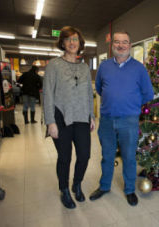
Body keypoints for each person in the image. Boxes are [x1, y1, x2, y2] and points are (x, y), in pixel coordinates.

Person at [90, 31, 154, 206]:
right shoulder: (104, 66)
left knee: (129, 157)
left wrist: (132, 104)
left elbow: (148, 93)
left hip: (129, 120)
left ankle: (129, 190)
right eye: (117, 42)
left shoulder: (139, 68)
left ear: (130, 45)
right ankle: (104, 186)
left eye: (124, 42)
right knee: (107, 156)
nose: (120, 45)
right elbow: (99, 88)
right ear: (112, 46)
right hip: (107, 120)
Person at [43, 26, 95, 209]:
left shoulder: (84, 68)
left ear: (80, 43)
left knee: (85, 155)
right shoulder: (54, 65)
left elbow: (89, 93)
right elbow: (48, 95)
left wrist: (92, 116)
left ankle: (77, 183)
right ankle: (64, 189)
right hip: (61, 118)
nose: (72, 43)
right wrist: (50, 122)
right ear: (63, 43)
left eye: (75, 39)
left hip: (82, 117)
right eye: (68, 39)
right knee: (64, 158)